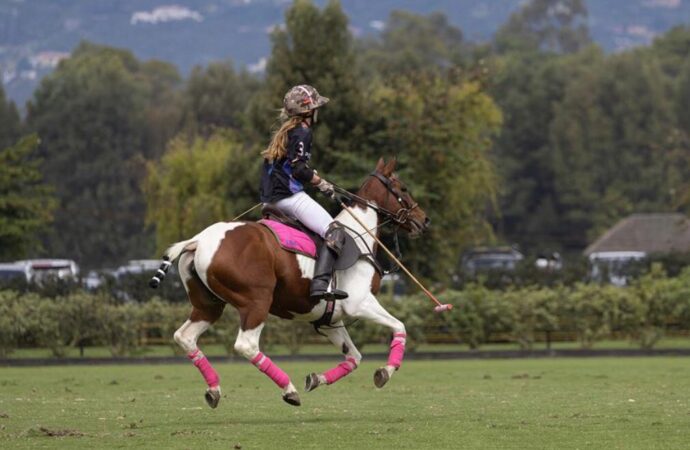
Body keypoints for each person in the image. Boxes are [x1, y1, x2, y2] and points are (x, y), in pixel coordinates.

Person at [259, 84, 348, 301]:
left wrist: (310, 174)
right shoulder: (304, 132)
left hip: (269, 201)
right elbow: (298, 170)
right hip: (290, 199)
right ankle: (320, 286)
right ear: (309, 110)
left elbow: (288, 167)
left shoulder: (285, 132)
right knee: (335, 231)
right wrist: (320, 182)